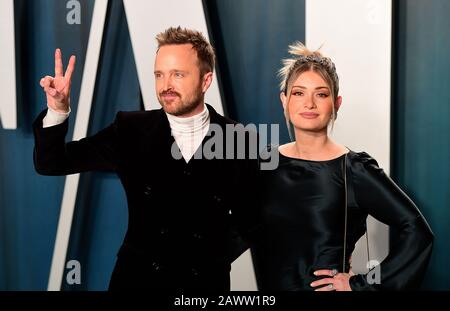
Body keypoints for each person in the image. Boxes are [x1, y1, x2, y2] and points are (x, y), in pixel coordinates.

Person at [33, 27, 260, 291]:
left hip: (203, 285)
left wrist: (211, 256)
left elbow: (252, 218)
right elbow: (52, 163)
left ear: (206, 80)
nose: (166, 86)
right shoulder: (129, 129)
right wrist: (57, 110)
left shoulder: (240, 139)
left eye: (178, 74)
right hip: (136, 282)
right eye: (159, 75)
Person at [251, 42, 434, 291]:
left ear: (336, 103)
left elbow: (417, 231)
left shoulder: (354, 169)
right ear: (284, 99)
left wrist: (361, 285)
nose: (309, 103)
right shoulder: (262, 165)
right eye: (299, 93)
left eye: (321, 94)